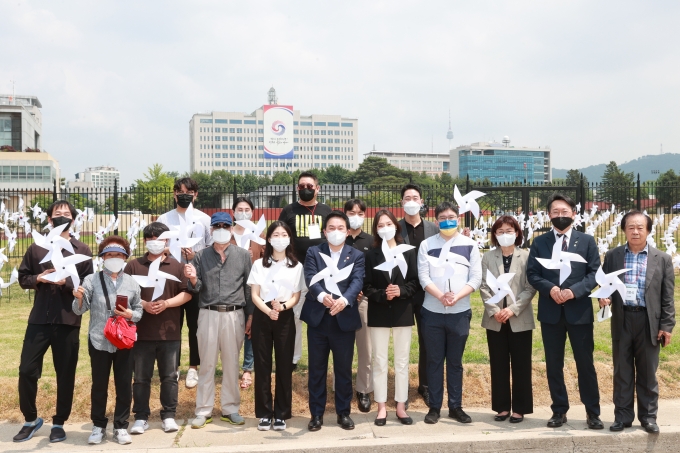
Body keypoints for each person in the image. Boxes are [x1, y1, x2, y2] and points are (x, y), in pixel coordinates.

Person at [14, 200, 94, 444]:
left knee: (65, 372)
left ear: (73, 219)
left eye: (66, 214)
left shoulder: (82, 251)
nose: (61, 217)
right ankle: (30, 419)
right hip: (39, 319)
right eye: (57, 214)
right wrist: (39, 277)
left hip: (68, 320)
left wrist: (66, 283)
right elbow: (23, 277)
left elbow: (88, 286)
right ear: (49, 220)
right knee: (27, 369)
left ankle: (59, 422)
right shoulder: (37, 248)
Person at [527, 193, 603, 429]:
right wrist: (550, 289)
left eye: (565, 212)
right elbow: (533, 274)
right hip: (551, 312)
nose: (560, 216)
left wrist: (574, 291)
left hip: (578, 312)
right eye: (555, 212)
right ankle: (559, 410)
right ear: (549, 215)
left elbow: (594, 274)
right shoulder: (540, 242)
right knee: (553, 364)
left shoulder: (587, 241)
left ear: (574, 214)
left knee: (585, 363)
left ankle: (593, 412)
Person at [599, 211, 675, 433]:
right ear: (624, 229)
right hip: (623, 319)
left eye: (640, 227)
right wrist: (604, 297)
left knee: (648, 371)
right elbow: (605, 285)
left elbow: (667, 297)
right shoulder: (612, 256)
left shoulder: (662, 259)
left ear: (648, 230)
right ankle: (622, 417)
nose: (635, 231)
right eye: (631, 227)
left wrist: (666, 326)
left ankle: (648, 417)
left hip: (648, 321)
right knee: (621, 370)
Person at [184, 212, 253, 429]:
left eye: (225, 225)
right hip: (208, 314)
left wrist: (250, 315)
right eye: (217, 226)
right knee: (207, 363)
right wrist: (193, 279)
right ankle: (203, 410)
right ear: (211, 230)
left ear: (232, 229)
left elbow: (249, 288)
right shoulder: (200, 256)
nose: (221, 229)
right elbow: (194, 288)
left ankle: (230, 408)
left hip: (235, 314)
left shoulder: (243, 256)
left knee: (232, 362)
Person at [72, 236, 143, 445]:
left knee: (123, 384)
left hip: (124, 340)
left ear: (125, 257)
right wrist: (77, 297)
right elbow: (79, 310)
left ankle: (121, 426)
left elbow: (139, 309)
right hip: (99, 339)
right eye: (110, 255)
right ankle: (98, 425)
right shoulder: (91, 280)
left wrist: (131, 314)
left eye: (119, 255)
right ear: (103, 257)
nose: (114, 258)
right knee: (99, 385)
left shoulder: (131, 282)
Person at [124, 222, 191, 435]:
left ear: (167, 241)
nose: (156, 242)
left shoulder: (177, 266)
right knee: (141, 377)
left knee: (169, 376)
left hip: (169, 331)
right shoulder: (133, 266)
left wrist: (167, 303)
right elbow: (124, 294)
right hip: (141, 332)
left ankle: (169, 415)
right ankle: (141, 417)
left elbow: (187, 293)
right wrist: (143, 304)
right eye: (151, 239)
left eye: (160, 239)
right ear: (145, 241)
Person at [417, 201, 481, 424]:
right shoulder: (426, 245)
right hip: (432, 312)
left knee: (455, 362)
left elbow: (476, 278)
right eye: (443, 217)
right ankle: (434, 406)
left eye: (451, 217)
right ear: (436, 221)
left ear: (459, 218)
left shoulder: (470, 245)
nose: (447, 221)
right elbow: (423, 277)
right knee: (434, 361)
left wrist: (457, 296)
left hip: (460, 312)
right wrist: (440, 296)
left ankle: (456, 406)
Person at [301, 211, 365, 431]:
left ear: (347, 232)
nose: (335, 232)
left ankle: (343, 412)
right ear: (324, 231)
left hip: (343, 320)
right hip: (318, 321)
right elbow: (310, 277)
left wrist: (345, 301)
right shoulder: (313, 252)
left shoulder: (356, 255)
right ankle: (316, 414)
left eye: (340, 228)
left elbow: (357, 281)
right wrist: (322, 297)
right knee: (317, 369)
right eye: (331, 228)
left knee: (343, 369)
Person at [247, 221, 305, 431]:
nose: (280, 238)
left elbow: (296, 295)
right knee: (262, 365)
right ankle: (264, 413)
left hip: (284, 316)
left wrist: (281, 307)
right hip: (263, 316)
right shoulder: (258, 265)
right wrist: (268, 310)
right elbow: (254, 294)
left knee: (284, 365)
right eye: (276, 235)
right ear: (269, 239)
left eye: (284, 234)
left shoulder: (296, 266)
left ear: (289, 239)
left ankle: (281, 413)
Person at [363, 210, 418, 426]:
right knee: (379, 360)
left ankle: (401, 406)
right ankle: (382, 407)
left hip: (403, 311)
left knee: (402, 360)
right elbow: (366, 286)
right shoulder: (372, 254)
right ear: (376, 229)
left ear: (396, 226)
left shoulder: (408, 252)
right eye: (380, 225)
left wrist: (401, 291)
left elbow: (415, 282)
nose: (385, 227)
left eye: (389, 223)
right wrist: (382, 294)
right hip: (379, 311)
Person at [479, 216, 537, 424]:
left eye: (509, 230)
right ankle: (502, 407)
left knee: (521, 364)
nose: (505, 235)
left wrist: (512, 309)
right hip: (495, 320)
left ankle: (520, 408)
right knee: (498, 363)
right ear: (494, 235)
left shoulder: (526, 256)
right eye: (500, 231)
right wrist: (495, 310)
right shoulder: (488, 257)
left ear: (517, 233)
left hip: (519, 318)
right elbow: (484, 286)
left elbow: (530, 287)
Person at [157, 177, 212, 389]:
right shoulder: (164, 218)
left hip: (194, 278)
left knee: (195, 325)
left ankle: (193, 367)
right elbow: (156, 246)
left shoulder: (204, 220)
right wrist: (168, 251)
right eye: (180, 191)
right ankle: (174, 366)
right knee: (172, 324)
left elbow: (211, 249)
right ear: (174, 193)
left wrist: (195, 253)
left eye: (189, 192)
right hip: (171, 277)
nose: (184, 195)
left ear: (196, 194)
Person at [278, 172, 332, 370]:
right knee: (294, 317)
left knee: (322, 317)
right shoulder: (289, 210)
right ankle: (293, 358)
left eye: (309, 185)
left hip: (323, 272)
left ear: (318, 188)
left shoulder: (326, 210)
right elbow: (280, 235)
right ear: (297, 189)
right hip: (295, 271)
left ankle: (321, 359)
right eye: (301, 186)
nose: (305, 189)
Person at [398, 183, 438, 406]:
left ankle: (426, 386)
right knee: (402, 343)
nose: (411, 201)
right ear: (402, 203)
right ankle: (400, 388)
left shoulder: (433, 228)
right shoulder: (394, 229)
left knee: (428, 341)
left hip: (427, 293)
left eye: (415, 197)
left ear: (422, 202)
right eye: (407, 198)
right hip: (403, 293)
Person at [343, 198, 374, 412]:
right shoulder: (337, 239)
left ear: (365, 215)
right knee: (341, 348)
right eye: (351, 212)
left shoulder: (371, 241)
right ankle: (341, 387)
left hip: (363, 300)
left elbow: (374, 272)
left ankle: (364, 389)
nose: (355, 216)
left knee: (366, 348)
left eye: (360, 213)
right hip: (340, 301)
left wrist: (365, 289)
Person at [231, 196, 265, 391]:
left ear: (252, 213)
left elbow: (267, 259)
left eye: (247, 209)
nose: (243, 212)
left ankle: (248, 368)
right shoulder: (226, 235)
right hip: (232, 289)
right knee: (234, 329)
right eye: (239, 209)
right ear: (233, 212)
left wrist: (254, 259)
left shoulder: (258, 235)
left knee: (252, 327)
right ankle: (231, 365)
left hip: (253, 288)